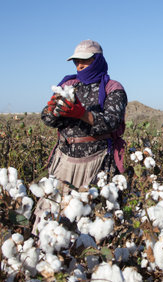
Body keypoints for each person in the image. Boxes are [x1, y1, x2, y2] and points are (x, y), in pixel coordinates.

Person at [41, 39, 128, 190]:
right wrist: (51, 113)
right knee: (57, 208)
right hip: (64, 159)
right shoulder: (68, 85)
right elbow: (49, 120)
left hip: (96, 161)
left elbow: (112, 122)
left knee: (91, 207)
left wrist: (82, 114)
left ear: (97, 60)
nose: (79, 66)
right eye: (76, 61)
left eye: (85, 60)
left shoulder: (112, 88)